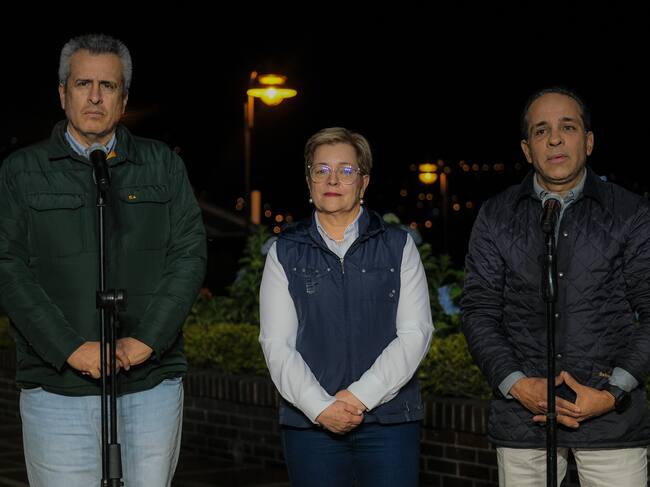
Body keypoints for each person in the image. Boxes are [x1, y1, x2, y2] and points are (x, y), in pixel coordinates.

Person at [0, 33, 206, 487]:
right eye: (83, 84)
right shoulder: (20, 172)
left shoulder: (161, 164)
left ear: (124, 98)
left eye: (107, 86)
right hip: (57, 390)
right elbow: (8, 270)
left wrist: (144, 342)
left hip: (149, 386)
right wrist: (71, 349)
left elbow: (189, 256)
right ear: (63, 93)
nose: (95, 96)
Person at [461, 86, 650, 486]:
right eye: (541, 130)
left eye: (568, 127)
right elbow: (478, 312)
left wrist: (612, 392)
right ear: (527, 149)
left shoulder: (631, 213)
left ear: (589, 141)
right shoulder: (496, 216)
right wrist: (517, 385)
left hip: (612, 423)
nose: (555, 139)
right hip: (523, 419)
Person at [259, 127, 433, 486]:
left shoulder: (399, 245)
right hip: (310, 424)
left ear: (364, 182)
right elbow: (276, 344)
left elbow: (415, 333)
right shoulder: (284, 251)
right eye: (321, 170)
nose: (333, 179)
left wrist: (358, 397)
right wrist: (320, 407)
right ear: (308, 181)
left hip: (390, 422)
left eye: (346, 170)